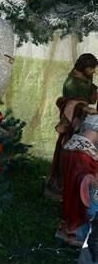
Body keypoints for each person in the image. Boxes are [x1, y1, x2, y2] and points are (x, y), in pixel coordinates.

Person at [47, 53, 97, 197]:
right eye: (91, 68)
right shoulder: (71, 82)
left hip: (84, 118)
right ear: (83, 67)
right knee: (70, 148)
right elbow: (70, 103)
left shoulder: (87, 78)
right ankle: (62, 182)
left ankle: (81, 182)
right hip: (73, 119)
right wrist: (82, 107)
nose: (93, 71)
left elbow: (90, 100)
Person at [57, 114, 98, 247]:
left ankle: (71, 228)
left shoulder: (91, 118)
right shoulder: (85, 154)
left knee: (73, 195)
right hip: (83, 162)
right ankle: (79, 232)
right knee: (83, 199)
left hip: (72, 154)